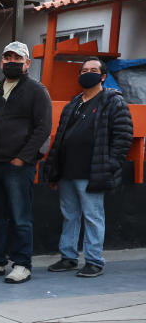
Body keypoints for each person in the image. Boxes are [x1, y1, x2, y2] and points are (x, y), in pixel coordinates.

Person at [0, 41, 52, 284]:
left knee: (20, 217)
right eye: (7, 57)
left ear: (27, 63)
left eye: (17, 58)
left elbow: (43, 128)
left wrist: (22, 158)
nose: (11, 62)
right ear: (1, 61)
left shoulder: (37, 91)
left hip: (18, 166)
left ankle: (22, 264)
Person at [45, 56, 133, 277]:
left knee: (93, 216)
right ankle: (68, 257)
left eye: (93, 70)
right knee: (69, 215)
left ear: (103, 76)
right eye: (84, 70)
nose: (87, 73)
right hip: (67, 171)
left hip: (92, 172)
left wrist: (110, 164)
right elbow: (60, 138)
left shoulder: (113, 101)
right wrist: (54, 170)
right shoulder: (73, 104)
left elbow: (123, 137)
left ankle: (94, 261)